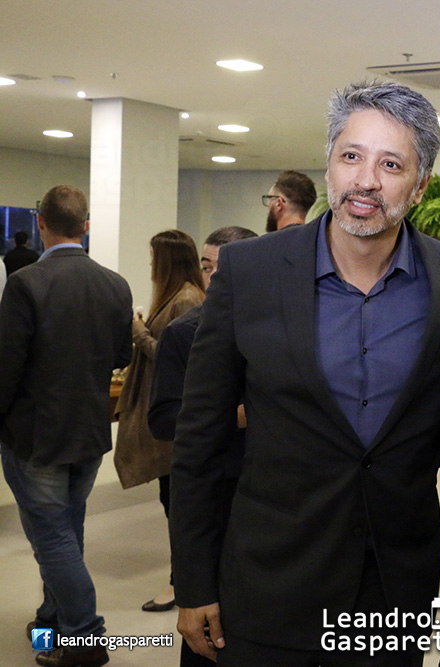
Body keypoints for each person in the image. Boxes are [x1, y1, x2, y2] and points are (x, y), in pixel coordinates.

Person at [170, 80, 440, 666]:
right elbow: (199, 440)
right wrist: (193, 581)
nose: (366, 180)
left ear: (419, 186)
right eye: (351, 156)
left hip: (391, 593)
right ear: (329, 166)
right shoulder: (250, 271)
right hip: (267, 584)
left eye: (391, 164)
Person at [0, 185, 132, 667]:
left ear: (41, 224)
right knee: (66, 530)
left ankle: (85, 638)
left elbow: (7, 366)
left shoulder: (25, 284)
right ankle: (51, 620)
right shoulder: (115, 284)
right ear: (86, 225)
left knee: (52, 537)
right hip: (89, 431)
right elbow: (121, 355)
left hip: (37, 436)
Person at [148, 225, 257, 667]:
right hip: (214, 492)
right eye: (207, 266)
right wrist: (238, 416)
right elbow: (163, 418)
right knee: (210, 628)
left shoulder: (282, 329)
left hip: (271, 497)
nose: (211, 278)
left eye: (220, 268)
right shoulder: (185, 333)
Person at [114, 229, 205, 612]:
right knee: (173, 504)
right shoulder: (177, 297)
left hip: (176, 418)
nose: (150, 264)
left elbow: (177, 357)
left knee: (178, 507)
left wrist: (139, 334)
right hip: (169, 414)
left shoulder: (186, 300)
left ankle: (180, 582)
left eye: (154, 256)